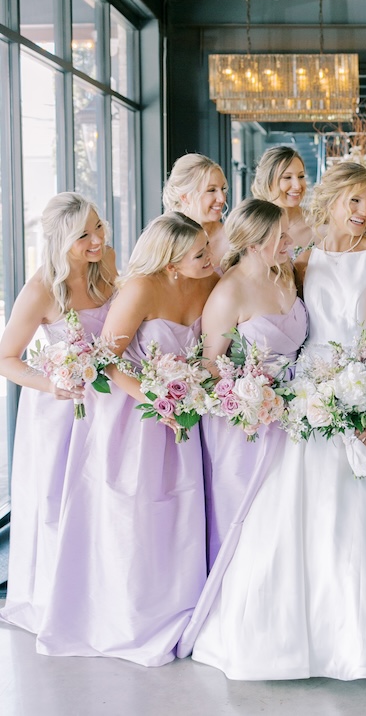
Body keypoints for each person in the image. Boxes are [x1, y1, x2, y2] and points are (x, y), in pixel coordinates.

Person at [180, 161, 366, 683]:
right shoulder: (302, 260)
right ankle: (287, 633)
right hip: (304, 393)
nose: (364, 212)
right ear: (332, 200)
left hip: (360, 387)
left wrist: (364, 401)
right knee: (291, 512)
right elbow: (286, 326)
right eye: (355, 201)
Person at [36, 212, 218, 666]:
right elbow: (106, 361)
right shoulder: (140, 288)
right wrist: (156, 398)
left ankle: (177, 605)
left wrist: (190, 393)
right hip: (131, 414)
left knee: (180, 509)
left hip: (182, 412)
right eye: (199, 253)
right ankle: (125, 614)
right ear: (172, 262)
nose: (210, 258)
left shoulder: (208, 281)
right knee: (132, 512)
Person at [0, 193, 116, 635]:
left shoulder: (107, 267)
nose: (96, 240)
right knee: (58, 504)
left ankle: (99, 593)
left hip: (108, 404)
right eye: (83, 235)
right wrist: (53, 383)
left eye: (99, 227)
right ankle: (56, 598)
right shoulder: (42, 289)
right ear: (59, 239)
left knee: (100, 502)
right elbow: (6, 357)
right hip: (59, 412)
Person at [199, 199, 308, 568]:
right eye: (280, 236)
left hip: (298, 413)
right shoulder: (229, 293)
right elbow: (210, 367)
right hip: (247, 424)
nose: (289, 240)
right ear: (253, 245)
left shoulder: (285, 271)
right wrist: (252, 398)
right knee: (249, 516)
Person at [162, 152, 230, 270]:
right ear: (185, 197)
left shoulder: (232, 240)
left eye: (222, 189)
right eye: (211, 190)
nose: (222, 198)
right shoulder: (163, 240)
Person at [251, 145, 314, 251]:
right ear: (268, 183)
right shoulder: (251, 228)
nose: (298, 186)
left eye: (301, 176)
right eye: (287, 177)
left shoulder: (319, 227)